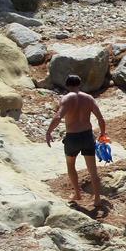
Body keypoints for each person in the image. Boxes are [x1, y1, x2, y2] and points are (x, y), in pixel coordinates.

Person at [45, 74, 107, 208]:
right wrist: (102, 133)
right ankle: (97, 198)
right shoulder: (89, 98)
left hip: (72, 137)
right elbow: (100, 119)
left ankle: (77, 193)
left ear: (67, 85)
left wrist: (49, 131)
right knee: (93, 170)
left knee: (71, 165)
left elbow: (58, 117)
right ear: (80, 84)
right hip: (87, 136)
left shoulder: (66, 99)